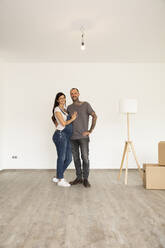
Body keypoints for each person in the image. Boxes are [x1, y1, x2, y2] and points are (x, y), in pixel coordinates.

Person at [67, 88, 97, 188]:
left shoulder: (86, 105)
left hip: (83, 137)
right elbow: (67, 122)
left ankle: (85, 179)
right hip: (72, 137)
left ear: (78, 94)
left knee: (85, 158)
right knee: (76, 158)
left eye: (75, 93)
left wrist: (90, 130)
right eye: (72, 93)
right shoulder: (69, 108)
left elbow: (94, 116)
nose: (73, 95)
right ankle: (79, 178)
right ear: (70, 95)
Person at [52, 92, 77, 187]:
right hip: (60, 135)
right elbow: (63, 123)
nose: (63, 99)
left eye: (64, 98)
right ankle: (61, 180)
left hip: (66, 136)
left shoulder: (65, 110)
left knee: (69, 158)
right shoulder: (57, 109)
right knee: (61, 157)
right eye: (60, 98)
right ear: (57, 100)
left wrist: (72, 115)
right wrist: (73, 118)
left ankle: (58, 176)